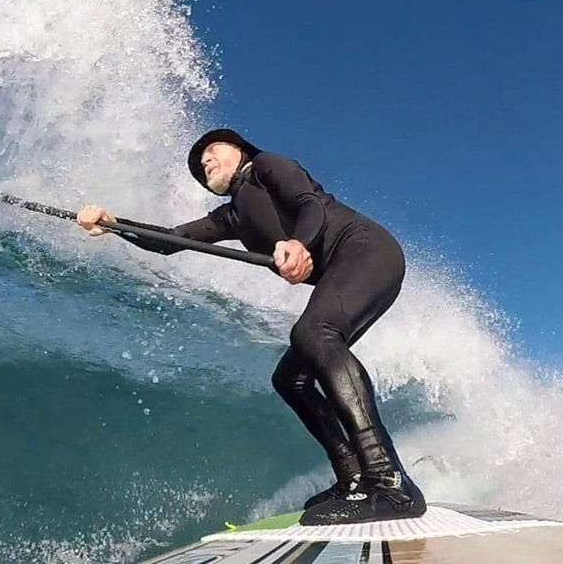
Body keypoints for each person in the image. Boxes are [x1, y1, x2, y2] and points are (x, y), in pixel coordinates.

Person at [76, 129, 425, 525]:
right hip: (348, 269)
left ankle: (390, 483)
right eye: (198, 163)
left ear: (239, 150)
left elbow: (309, 204)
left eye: (212, 151)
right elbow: (171, 239)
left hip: (367, 251)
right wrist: (114, 223)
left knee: (313, 333)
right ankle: (354, 480)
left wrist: (299, 243)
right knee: (289, 378)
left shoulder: (267, 167)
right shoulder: (233, 216)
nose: (203, 161)